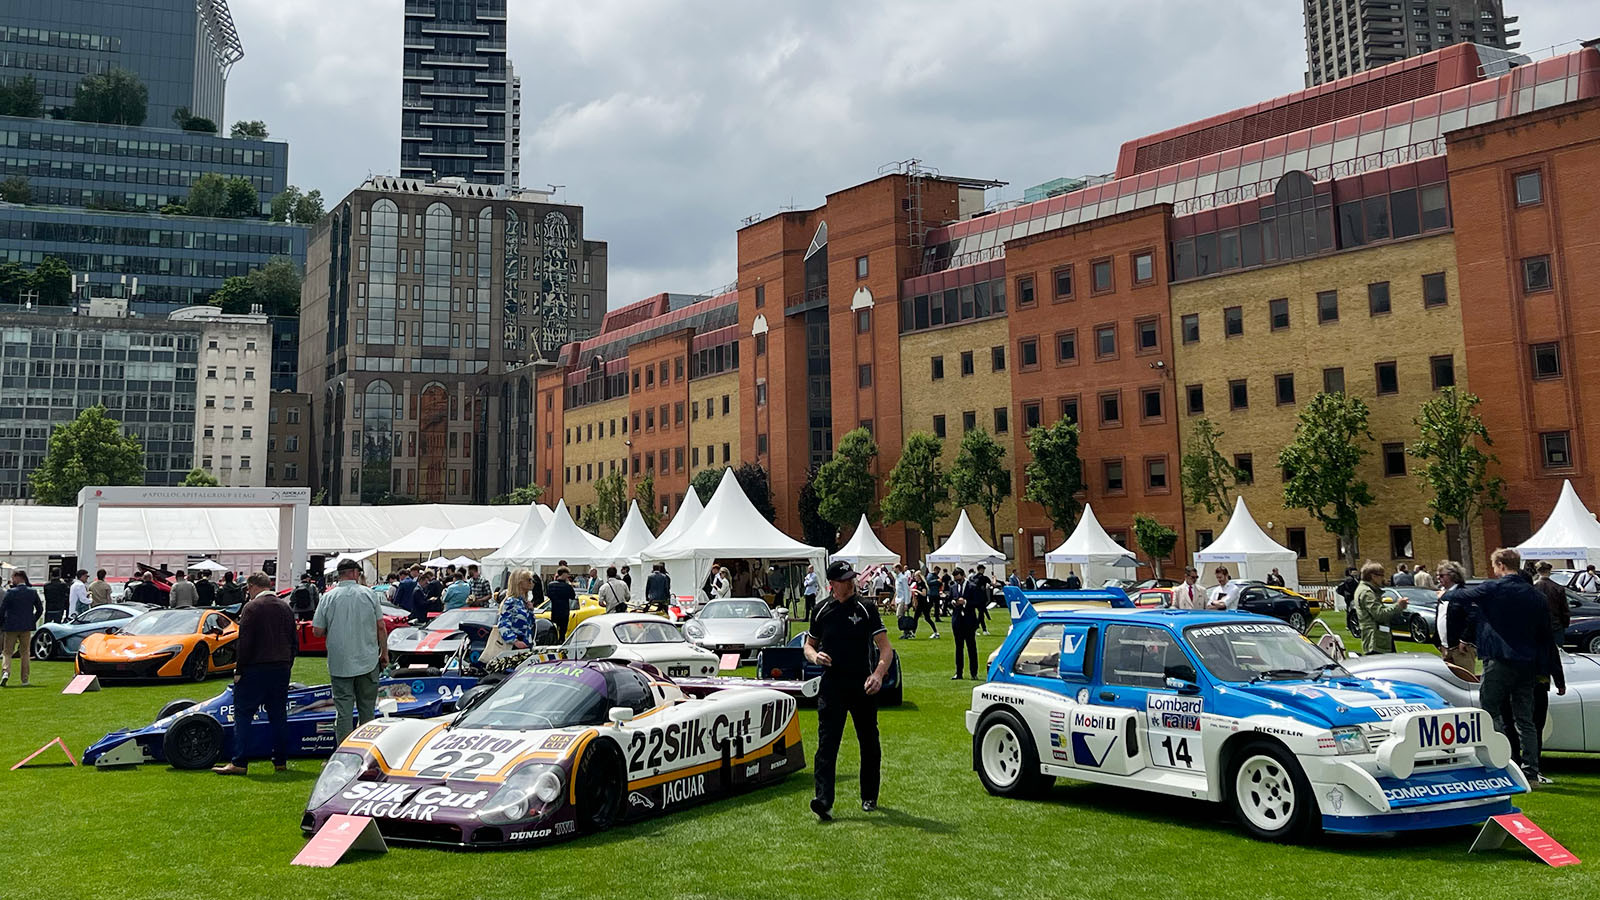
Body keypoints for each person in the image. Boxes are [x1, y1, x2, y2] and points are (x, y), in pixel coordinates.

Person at [1452, 548, 1565, 784]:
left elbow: (1458, 598)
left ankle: (1502, 758)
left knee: (1490, 709)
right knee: (1525, 718)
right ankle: (1531, 770)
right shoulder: (1536, 596)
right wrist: (1555, 674)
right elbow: (1547, 637)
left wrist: (1446, 594)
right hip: (1527, 663)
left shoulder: (1494, 589)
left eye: (1494, 566)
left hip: (1500, 658)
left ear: (1501, 565)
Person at [804, 560, 892, 820]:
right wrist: (815, 657)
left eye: (852, 578)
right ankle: (823, 801)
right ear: (832, 584)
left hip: (863, 685)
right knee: (827, 744)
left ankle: (869, 796)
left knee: (868, 741)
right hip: (832, 686)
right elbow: (809, 646)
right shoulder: (821, 611)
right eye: (844, 579)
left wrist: (878, 675)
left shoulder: (866, 608)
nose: (850, 582)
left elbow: (885, 649)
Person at [213, 572, 297, 776]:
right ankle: (280, 761)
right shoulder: (285, 607)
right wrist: (288, 664)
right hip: (281, 667)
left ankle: (239, 761)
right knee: (278, 715)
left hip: (255, 668)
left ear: (251, 587)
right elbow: (294, 641)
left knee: (243, 715)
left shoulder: (251, 608)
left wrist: (238, 670)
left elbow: (245, 643)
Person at [312, 558, 388, 743]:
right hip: (367, 660)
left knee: (343, 712)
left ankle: (344, 753)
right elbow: (381, 627)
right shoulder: (369, 594)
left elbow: (317, 631)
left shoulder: (328, 597)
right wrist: (384, 653)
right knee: (367, 710)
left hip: (340, 662)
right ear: (355, 573)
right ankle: (367, 749)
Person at [482, 569, 537, 664]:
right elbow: (503, 625)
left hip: (525, 646)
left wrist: (531, 611)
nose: (532, 583)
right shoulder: (511, 602)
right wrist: (515, 641)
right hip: (513, 648)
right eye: (528, 580)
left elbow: (530, 624)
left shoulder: (523, 602)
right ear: (519, 582)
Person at [1355, 561, 1407, 654]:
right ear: (1373, 576)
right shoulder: (1367, 593)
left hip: (1377, 639)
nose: (1383, 578)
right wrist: (1398, 606)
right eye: (1381, 575)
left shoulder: (1365, 589)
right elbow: (1379, 614)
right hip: (1376, 641)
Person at [2, 569, 42, 687]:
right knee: (25, 653)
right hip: (26, 626)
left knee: (7, 652)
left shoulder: (10, 592)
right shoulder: (32, 592)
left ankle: (6, 671)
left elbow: (2, 609)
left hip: (11, 626)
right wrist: (32, 620)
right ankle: (25, 679)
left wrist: (2, 623)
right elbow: (40, 609)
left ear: (17, 577)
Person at [1435, 560, 1476, 671]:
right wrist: (1439, 643)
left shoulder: (1463, 594)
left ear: (1453, 575)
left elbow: (1473, 618)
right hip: (1445, 648)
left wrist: (1464, 640)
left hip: (1461, 649)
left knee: (1466, 681)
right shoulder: (1443, 595)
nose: (1438, 578)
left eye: (1442, 575)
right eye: (1437, 575)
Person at [949, 567, 983, 679]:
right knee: (959, 648)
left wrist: (965, 602)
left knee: (971, 647)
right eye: (956, 580)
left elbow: (978, 602)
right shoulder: (953, 587)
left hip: (969, 621)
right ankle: (959, 673)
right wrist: (953, 602)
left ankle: (974, 673)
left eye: (959, 579)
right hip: (957, 620)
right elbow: (949, 600)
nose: (958, 582)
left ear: (963, 576)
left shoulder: (972, 587)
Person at [545, 566, 575, 642]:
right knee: (562, 632)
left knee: (555, 629)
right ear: (564, 574)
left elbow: (548, 595)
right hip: (564, 611)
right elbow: (572, 596)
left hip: (554, 611)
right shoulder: (567, 586)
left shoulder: (551, 585)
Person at [971, 565, 993, 635]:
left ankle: (984, 629)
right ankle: (975, 628)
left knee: (981, 614)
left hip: (975, 598)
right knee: (981, 615)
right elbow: (993, 584)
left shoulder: (973, 577)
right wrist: (994, 578)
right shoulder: (984, 578)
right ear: (981, 570)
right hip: (982, 598)